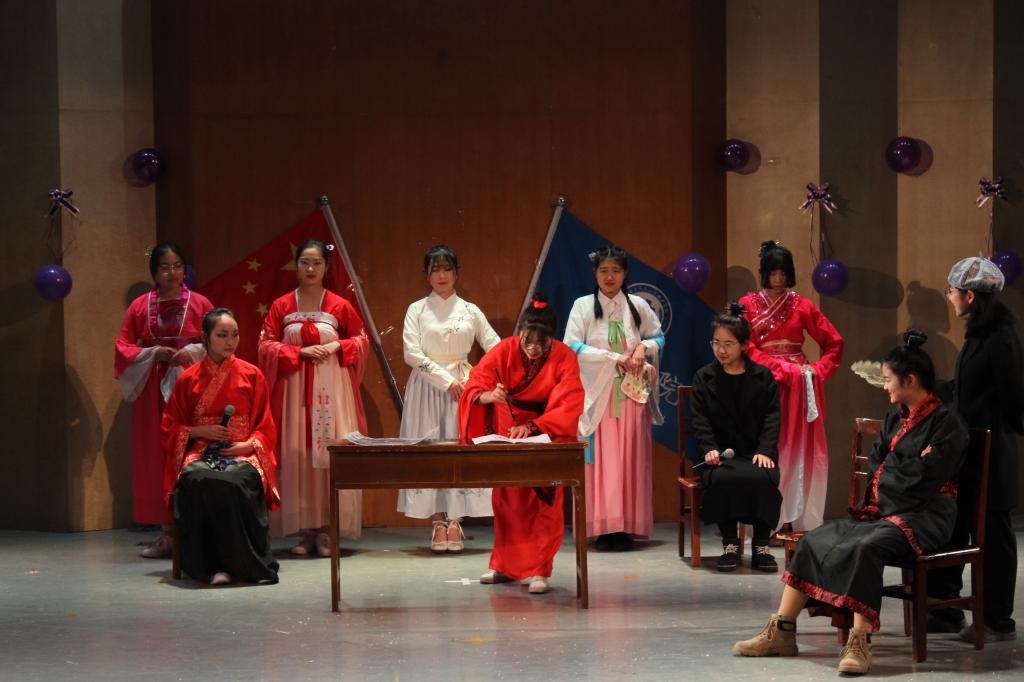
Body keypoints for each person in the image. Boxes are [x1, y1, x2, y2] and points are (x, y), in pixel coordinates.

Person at [733, 330, 968, 675]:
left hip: (926, 515)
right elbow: (878, 466)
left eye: (888, 380)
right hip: (884, 508)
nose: (885, 387)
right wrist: (898, 470)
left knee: (866, 547)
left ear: (910, 380)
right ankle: (782, 629)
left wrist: (893, 473)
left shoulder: (948, 424)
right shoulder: (895, 418)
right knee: (814, 540)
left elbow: (925, 477)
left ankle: (860, 640)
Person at [459, 293, 584, 594]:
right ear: (521, 332)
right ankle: (503, 564)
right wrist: (488, 396)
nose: (533, 348)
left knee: (544, 504)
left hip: (546, 431)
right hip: (509, 431)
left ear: (552, 337)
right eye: (528, 339)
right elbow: (476, 381)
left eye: (542, 342)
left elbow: (569, 402)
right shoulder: (504, 349)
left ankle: (540, 569)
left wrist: (533, 426)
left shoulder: (565, 357)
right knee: (506, 501)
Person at [928, 256, 1024, 641]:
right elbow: (968, 388)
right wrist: (925, 387)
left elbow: (1014, 397)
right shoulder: (979, 332)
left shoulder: (1000, 338)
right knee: (956, 523)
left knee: (993, 535)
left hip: (992, 453)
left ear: (969, 295)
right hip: (969, 451)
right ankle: (947, 609)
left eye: (952, 291)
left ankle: (997, 620)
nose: (949, 296)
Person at [258, 239, 369, 556]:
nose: (310, 268)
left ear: (326, 267)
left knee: (328, 451)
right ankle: (306, 531)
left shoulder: (339, 305)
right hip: (294, 390)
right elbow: (265, 345)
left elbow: (361, 339)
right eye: (304, 262)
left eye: (317, 262)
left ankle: (328, 530)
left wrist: (337, 346)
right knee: (299, 453)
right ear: (296, 265)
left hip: (332, 390)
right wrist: (298, 352)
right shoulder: (281, 306)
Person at [162, 308, 280, 585]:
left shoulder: (252, 375)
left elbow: (265, 426)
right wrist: (197, 431)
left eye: (235, 335)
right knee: (199, 478)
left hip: (242, 452)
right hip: (201, 451)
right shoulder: (188, 378)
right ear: (205, 337)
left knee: (235, 481)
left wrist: (246, 445)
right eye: (222, 335)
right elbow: (170, 427)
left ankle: (244, 565)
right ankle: (208, 566)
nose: (230, 341)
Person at [396, 245, 501, 552]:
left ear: (456, 273)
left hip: (463, 387)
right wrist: (445, 380)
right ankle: (437, 522)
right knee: (430, 449)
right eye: (435, 270)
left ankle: (455, 521)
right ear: (427, 275)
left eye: (447, 269)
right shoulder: (417, 309)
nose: (441, 275)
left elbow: (495, 347)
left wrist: (476, 379)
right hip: (427, 387)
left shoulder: (470, 310)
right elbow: (411, 353)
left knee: (458, 446)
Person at [114, 243, 213, 558]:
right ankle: (167, 532)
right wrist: (154, 352)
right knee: (157, 454)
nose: (172, 273)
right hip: (153, 388)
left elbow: (217, 340)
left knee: (192, 449)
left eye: (178, 266)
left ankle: (196, 531)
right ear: (154, 272)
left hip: (191, 384)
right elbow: (123, 345)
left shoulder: (200, 303)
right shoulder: (140, 306)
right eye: (165, 267)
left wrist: (192, 352)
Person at [563, 246, 664, 551]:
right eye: (604, 271)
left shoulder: (637, 305)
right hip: (598, 395)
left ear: (625, 273)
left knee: (629, 458)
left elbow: (658, 336)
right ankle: (602, 525)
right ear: (595, 273)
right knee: (602, 462)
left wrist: (642, 348)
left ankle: (626, 526)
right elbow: (571, 345)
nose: (610, 277)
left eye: (616, 271)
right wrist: (612, 358)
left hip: (631, 395)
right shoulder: (583, 306)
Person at [739, 241, 843, 532]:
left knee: (798, 449)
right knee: (769, 445)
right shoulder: (747, 304)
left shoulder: (802, 304)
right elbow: (745, 345)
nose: (779, 279)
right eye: (773, 272)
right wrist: (776, 368)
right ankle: (766, 519)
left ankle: (795, 516)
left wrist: (817, 370)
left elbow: (834, 343)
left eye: (784, 273)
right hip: (763, 381)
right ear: (764, 273)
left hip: (798, 384)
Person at [690, 303, 782, 572]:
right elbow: (700, 420)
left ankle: (761, 546)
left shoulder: (763, 376)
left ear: (743, 345)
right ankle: (730, 544)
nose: (721, 350)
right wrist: (709, 448)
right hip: (719, 454)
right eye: (716, 343)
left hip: (755, 452)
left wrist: (765, 449)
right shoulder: (704, 377)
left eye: (728, 344)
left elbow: (772, 418)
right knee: (723, 478)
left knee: (764, 477)